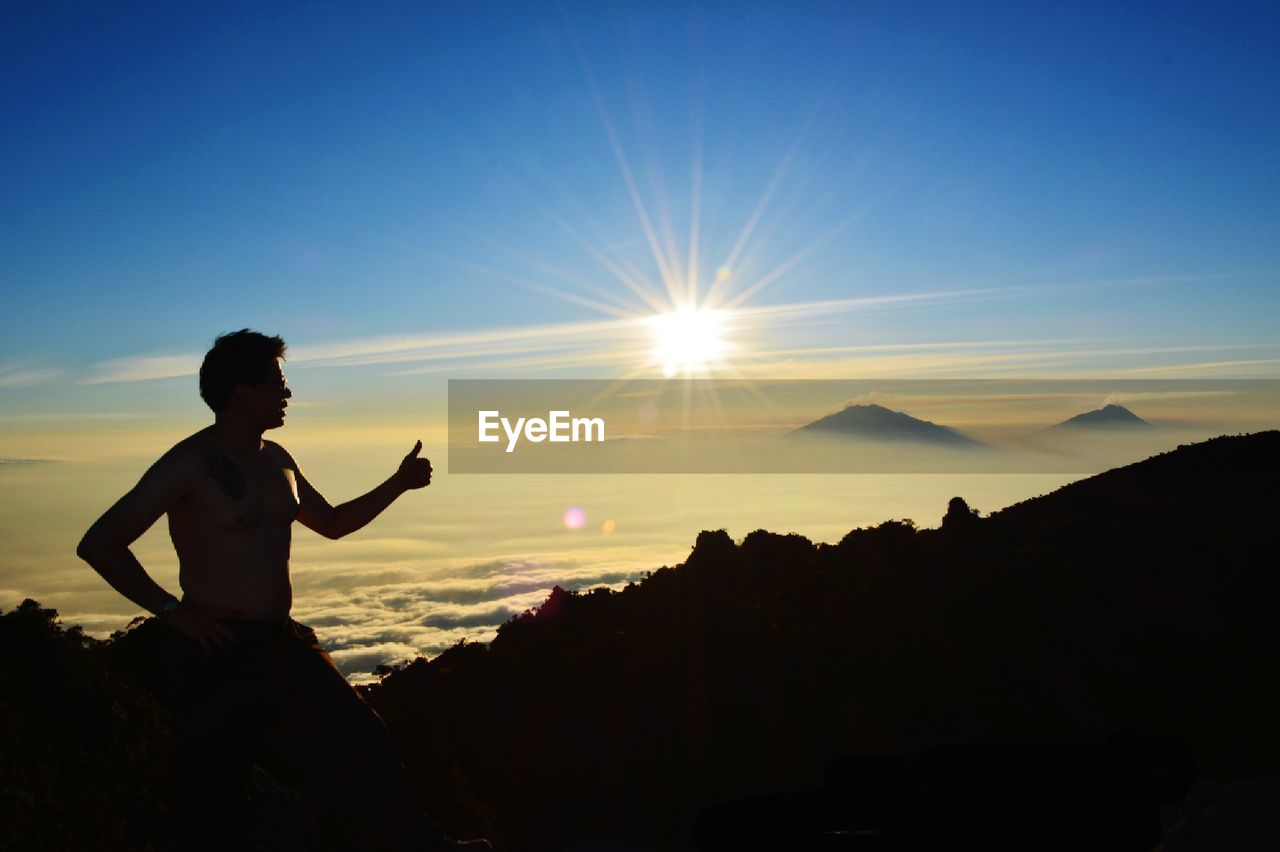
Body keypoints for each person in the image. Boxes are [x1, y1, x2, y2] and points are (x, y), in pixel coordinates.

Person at [77, 329, 490, 851]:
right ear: (241, 391)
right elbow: (100, 543)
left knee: (364, 742)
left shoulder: (278, 459)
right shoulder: (190, 463)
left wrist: (398, 482)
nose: (287, 393)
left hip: (281, 640)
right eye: (276, 381)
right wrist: (173, 613)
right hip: (215, 648)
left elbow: (334, 523)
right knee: (217, 795)